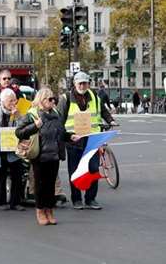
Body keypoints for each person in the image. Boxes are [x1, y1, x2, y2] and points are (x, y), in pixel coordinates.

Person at [58, 72, 117, 210]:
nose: (83, 86)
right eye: (80, 83)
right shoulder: (66, 98)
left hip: (92, 139)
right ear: (75, 84)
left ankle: (91, 199)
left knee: (93, 169)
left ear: (88, 84)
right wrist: (65, 136)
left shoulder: (94, 97)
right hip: (74, 140)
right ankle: (77, 199)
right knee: (76, 171)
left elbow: (103, 111)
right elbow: (60, 119)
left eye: (85, 83)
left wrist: (111, 120)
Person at [16, 87, 71, 225]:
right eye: (50, 99)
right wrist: (35, 126)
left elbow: (61, 132)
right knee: (40, 185)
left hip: (54, 155)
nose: (53, 101)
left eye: (54, 99)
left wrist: (70, 136)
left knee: (51, 185)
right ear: (42, 100)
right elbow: (19, 132)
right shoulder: (32, 114)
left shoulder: (56, 114)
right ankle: (40, 210)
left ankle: (49, 210)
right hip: (39, 156)